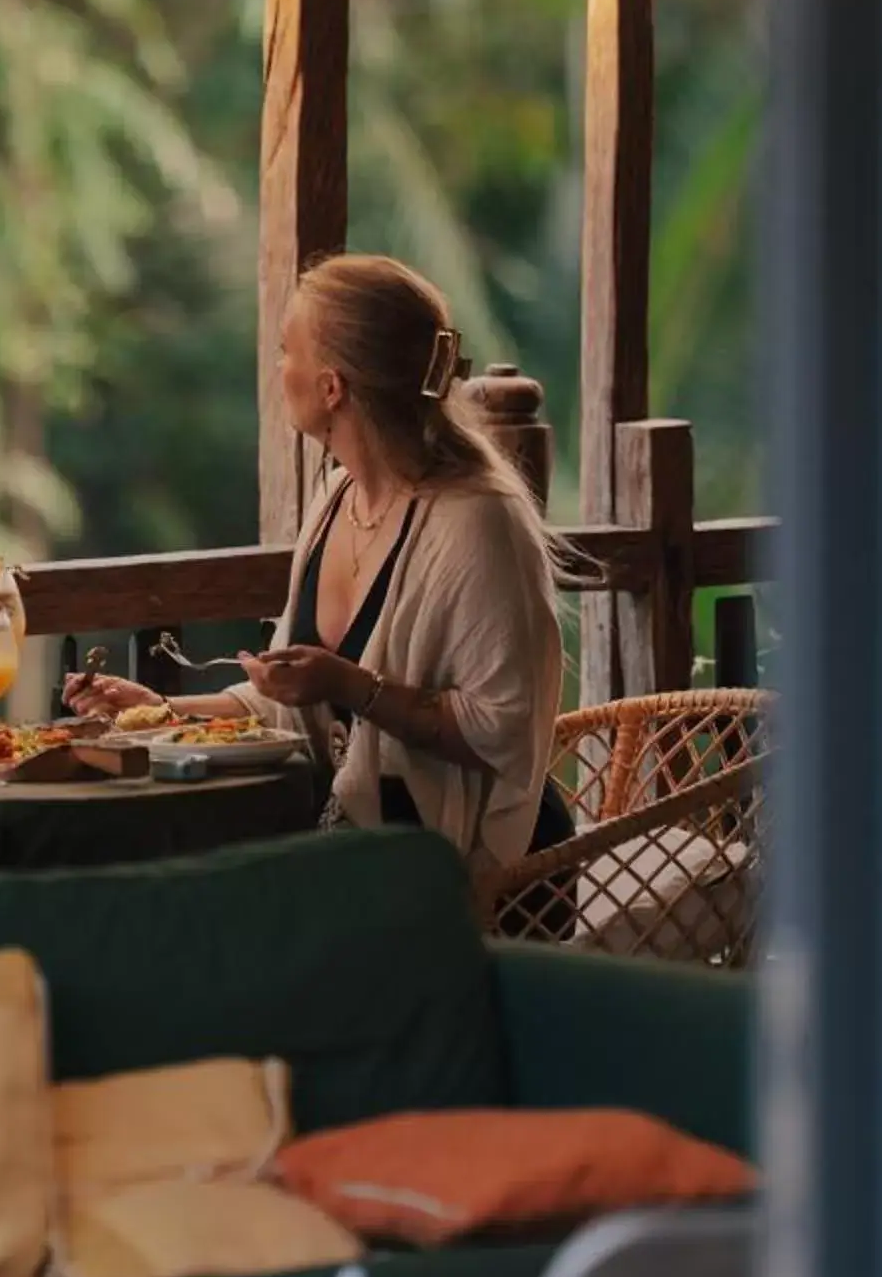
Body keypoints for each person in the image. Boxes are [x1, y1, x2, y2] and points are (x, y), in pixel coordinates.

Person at [68, 254, 566, 874]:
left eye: (286, 351)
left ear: (331, 387)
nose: (277, 369)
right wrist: (161, 712)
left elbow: (501, 728)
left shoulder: (476, 521)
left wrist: (348, 684)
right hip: (358, 848)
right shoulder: (336, 498)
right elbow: (292, 708)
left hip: (477, 868)